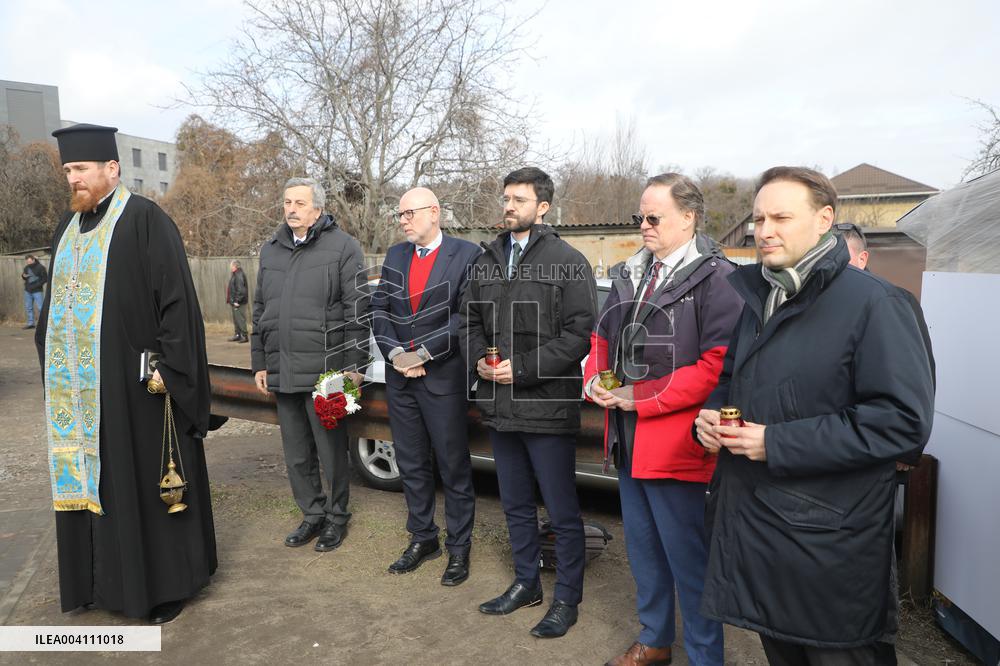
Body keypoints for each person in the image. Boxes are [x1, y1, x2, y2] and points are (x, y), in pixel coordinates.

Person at [694, 166, 935, 665]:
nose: (764, 230)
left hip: (829, 552)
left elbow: (902, 423)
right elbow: (730, 380)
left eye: (781, 216)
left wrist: (775, 443)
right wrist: (712, 417)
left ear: (824, 219)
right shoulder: (759, 298)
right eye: (758, 218)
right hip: (759, 538)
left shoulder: (877, 304)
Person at [36, 123, 217, 624]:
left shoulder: (144, 220)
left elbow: (179, 306)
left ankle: (162, 588)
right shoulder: (65, 230)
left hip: (137, 393)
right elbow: (53, 310)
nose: (72, 178)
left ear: (111, 169)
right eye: (68, 170)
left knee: (141, 488)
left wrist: (170, 371)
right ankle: (98, 584)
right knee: (97, 486)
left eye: (81, 169)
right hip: (80, 394)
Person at [586, 174, 740, 666]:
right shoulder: (632, 271)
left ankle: (703, 656)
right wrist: (594, 377)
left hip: (677, 444)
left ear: (689, 217)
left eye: (654, 217)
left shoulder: (719, 279)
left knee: (688, 561)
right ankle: (655, 639)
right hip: (628, 441)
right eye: (641, 217)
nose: (644, 226)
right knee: (645, 551)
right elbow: (602, 336)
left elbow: (716, 364)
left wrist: (641, 398)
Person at [460, 166, 597, 639]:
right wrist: (479, 357)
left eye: (519, 199)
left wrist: (522, 368)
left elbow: (579, 334)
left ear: (543, 207)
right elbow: (469, 321)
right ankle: (526, 583)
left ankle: (566, 599)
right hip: (499, 405)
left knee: (560, 509)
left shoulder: (569, 260)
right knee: (515, 503)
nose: (508, 206)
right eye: (506, 198)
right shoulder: (487, 259)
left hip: (547, 406)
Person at [251, 177, 369, 553]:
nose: (291, 209)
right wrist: (260, 362)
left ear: (317, 209)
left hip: (329, 373)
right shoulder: (271, 251)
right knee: (297, 454)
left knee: (332, 452)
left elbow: (358, 311)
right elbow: (260, 311)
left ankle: (336, 519)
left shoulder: (343, 247)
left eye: (300, 203)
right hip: (283, 369)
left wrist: (355, 366)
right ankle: (312, 515)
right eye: (287, 202)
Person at [371, 187, 481, 585]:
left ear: (434, 213)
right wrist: (397, 354)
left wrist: (424, 354)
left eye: (408, 213)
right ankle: (422, 538)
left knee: (453, 467)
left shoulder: (467, 256)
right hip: (400, 381)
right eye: (399, 214)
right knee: (412, 464)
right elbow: (379, 308)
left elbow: (466, 315)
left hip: (443, 380)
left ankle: (458, 548)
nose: (402, 220)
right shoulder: (396, 256)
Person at [21, 254, 48, 329]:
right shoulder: (26, 268)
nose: (28, 263)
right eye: (27, 262)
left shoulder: (41, 268)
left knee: (40, 308)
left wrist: (37, 285)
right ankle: (31, 323)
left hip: (37, 290)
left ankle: (43, 324)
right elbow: (25, 276)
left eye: (29, 261)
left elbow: (45, 278)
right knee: (28, 307)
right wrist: (23, 276)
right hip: (28, 290)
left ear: (33, 260)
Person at [226, 259, 249, 342]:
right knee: (236, 319)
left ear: (235, 266)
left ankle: (244, 336)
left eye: (231, 265)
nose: (230, 267)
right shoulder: (235, 274)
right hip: (234, 302)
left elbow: (241, 290)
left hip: (239, 302)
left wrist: (237, 301)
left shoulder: (239, 274)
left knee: (240, 319)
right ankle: (237, 335)